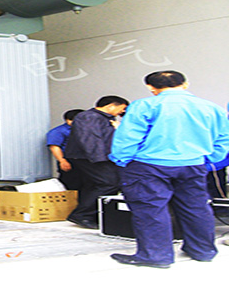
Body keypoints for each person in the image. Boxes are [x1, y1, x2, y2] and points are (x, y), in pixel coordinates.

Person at [109, 71, 229, 268]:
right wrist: (209, 160)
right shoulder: (210, 107)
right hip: (193, 164)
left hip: (149, 165)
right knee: (196, 207)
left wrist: (122, 160)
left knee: (151, 209)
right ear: (185, 84)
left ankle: (156, 256)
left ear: (151, 87)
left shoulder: (144, 105)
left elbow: (128, 137)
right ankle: (202, 251)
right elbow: (223, 137)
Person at [64, 96, 129, 229]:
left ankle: (93, 214)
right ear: (111, 106)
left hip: (97, 157)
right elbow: (90, 139)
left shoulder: (104, 118)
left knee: (95, 185)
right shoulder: (89, 117)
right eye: (122, 109)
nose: (122, 112)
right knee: (110, 183)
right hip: (90, 157)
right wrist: (99, 159)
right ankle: (82, 214)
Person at [46, 109, 85, 193]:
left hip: (84, 161)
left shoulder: (84, 130)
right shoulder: (58, 131)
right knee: (71, 184)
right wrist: (62, 160)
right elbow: (54, 146)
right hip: (69, 160)